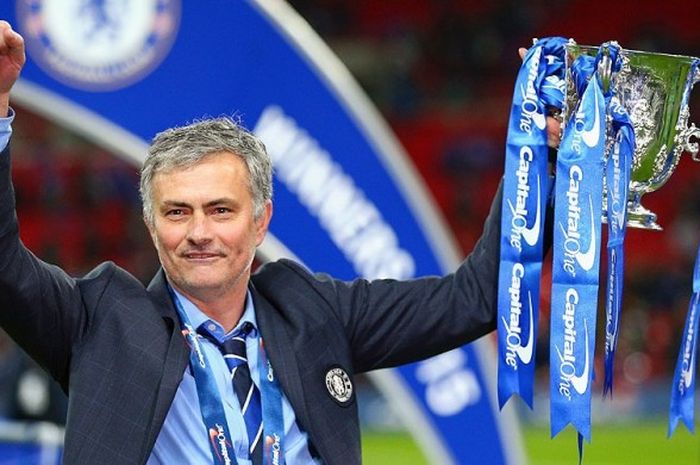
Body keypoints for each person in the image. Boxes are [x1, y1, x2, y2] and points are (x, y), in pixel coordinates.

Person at [0, 21, 557, 465]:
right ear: (152, 225)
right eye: (177, 212)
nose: (199, 232)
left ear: (261, 222)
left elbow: (477, 299)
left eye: (221, 210)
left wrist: (542, 157)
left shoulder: (312, 312)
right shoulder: (100, 321)